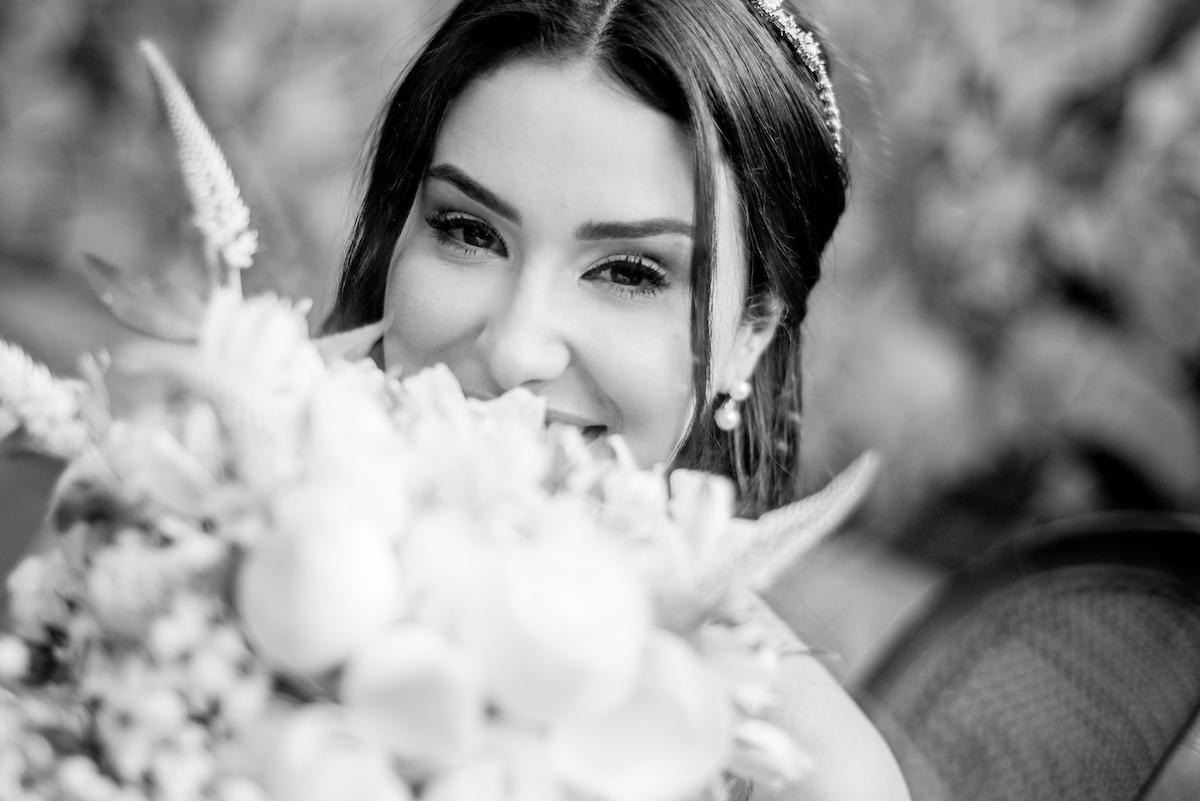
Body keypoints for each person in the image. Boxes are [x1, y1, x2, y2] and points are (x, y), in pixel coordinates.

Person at [325, 0, 912, 798]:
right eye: (467, 229)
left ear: (750, 335)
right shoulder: (216, 518)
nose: (515, 348)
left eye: (631, 273)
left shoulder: (804, 780)